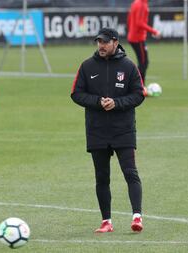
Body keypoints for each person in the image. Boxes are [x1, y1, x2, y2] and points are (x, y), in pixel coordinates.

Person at [71, 27, 145, 233]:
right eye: (98, 42)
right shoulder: (87, 66)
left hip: (124, 130)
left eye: (105, 42)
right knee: (102, 177)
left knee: (130, 173)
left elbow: (139, 94)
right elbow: (76, 93)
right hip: (97, 131)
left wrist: (117, 103)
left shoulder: (129, 66)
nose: (101, 46)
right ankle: (106, 222)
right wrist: (97, 101)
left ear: (115, 42)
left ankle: (137, 217)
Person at [127, 0, 160, 84]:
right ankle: (139, 87)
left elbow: (130, 18)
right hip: (138, 38)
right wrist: (154, 31)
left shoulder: (136, 2)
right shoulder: (142, 4)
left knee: (143, 62)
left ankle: (140, 86)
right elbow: (139, 22)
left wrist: (131, 31)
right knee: (143, 63)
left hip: (133, 36)